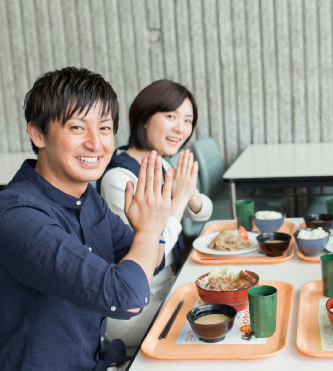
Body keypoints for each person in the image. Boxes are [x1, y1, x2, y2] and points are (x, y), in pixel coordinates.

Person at [0, 67, 171, 370]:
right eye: (77, 128)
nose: (96, 143)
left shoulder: (87, 198)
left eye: (104, 128)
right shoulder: (19, 218)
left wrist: (148, 232)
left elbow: (152, 260)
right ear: (38, 133)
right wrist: (150, 228)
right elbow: (129, 296)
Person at [98, 79, 213, 346]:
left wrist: (189, 194)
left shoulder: (158, 163)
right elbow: (153, 254)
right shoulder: (119, 179)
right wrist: (181, 197)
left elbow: (203, 211)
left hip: (171, 287)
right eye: (171, 116)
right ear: (145, 118)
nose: (181, 128)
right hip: (137, 309)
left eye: (188, 120)